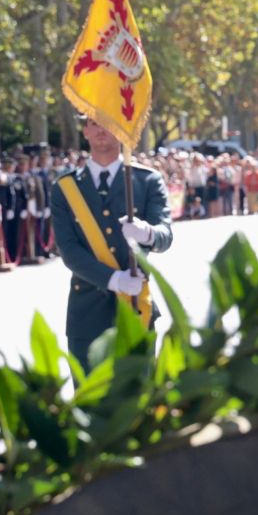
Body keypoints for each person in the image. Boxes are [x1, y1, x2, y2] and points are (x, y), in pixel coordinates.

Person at [50, 115, 174, 364]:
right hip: (87, 313)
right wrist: (114, 280)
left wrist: (147, 233)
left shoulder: (147, 181)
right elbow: (69, 250)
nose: (101, 130)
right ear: (85, 131)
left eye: (108, 122)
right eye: (94, 123)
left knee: (137, 388)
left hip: (136, 308)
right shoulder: (65, 187)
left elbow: (165, 235)